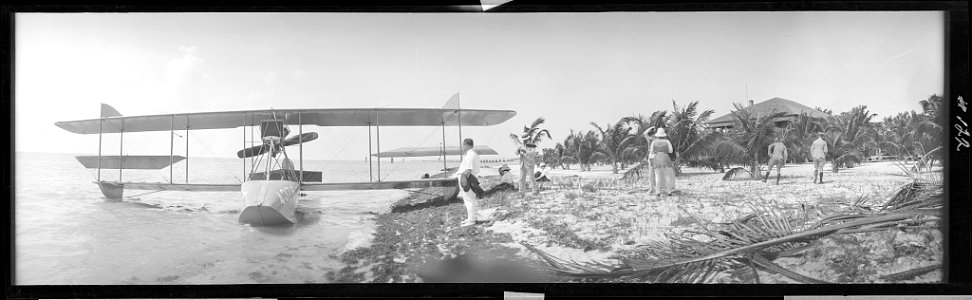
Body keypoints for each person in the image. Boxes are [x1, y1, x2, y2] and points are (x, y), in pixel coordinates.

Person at [456, 138, 482, 226]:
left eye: (463, 145)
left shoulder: (470, 154)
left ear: (466, 145)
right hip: (469, 178)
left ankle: (471, 221)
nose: (462, 147)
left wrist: (464, 180)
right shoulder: (472, 154)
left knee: (469, 200)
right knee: (468, 200)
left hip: (468, 178)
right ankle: (470, 219)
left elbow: (468, 169)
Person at [650, 128, 676, 196]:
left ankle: (657, 192)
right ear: (664, 135)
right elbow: (671, 151)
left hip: (657, 158)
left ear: (657, 135)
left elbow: (652, 152)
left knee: (657, 176)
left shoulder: (654, 142)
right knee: (667, 176)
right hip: (666, 158)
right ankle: (669, 191)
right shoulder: (667, 141)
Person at [642, 127, 657, 193]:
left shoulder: (658, 140)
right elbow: (645, 133)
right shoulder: (650, 140)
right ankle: (652, 188)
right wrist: (652, 127)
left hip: (657, 157)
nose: (653, 135)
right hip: (651, 157)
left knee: (657, 173)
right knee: (651, 173)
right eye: (652, 133)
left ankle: (655, 188)